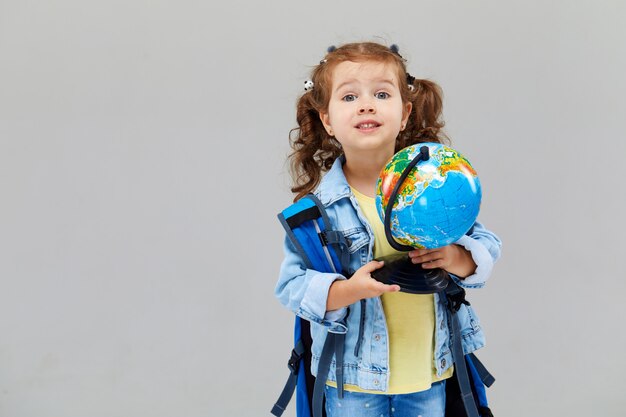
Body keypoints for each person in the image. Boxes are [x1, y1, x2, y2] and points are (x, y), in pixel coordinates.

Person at [275, 42, 502, 417]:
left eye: (382, 94)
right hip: (351, 384)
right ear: (327, 119)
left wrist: (455, 257)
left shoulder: (433, 190)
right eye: (349, 96)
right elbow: (291, 287)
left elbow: (486, 248)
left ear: (405, 113)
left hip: (428, 376)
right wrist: (348, 291)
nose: (366, 104)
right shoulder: (316, 213)